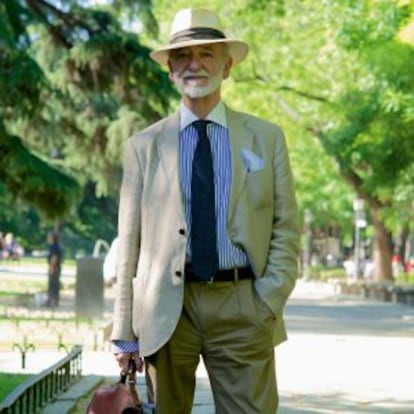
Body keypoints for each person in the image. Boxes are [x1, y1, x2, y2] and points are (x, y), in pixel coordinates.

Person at [111, 8, 300, 413]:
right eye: (182, 56)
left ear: (227, 66)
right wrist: (124, 332)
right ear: (170, 70)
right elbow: (129, 245)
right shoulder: (143, 147)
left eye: (207, 54)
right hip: (165, 312)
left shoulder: (266, 139)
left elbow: (286, 227)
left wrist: (268, 298)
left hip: (243, 305)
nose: (194, 64)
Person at [46, 231, 63, 307]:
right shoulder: (57, 246)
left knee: (52, 285)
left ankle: (51, 301)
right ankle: (55, 301)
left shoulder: (53, 247)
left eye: (49, 236)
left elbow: (54, 258)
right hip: (57, 268)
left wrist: (51, 268)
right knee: (55, 285)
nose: (48, 238)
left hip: (54, 268)